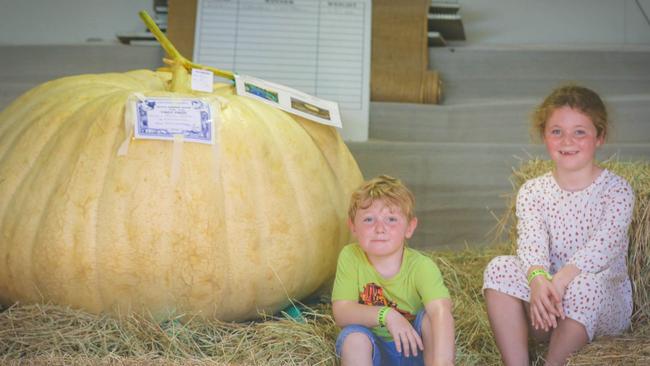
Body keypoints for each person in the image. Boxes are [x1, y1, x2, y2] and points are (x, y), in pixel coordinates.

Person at [483, 85, 635, 366]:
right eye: (557, 131)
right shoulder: (533, 190)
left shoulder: (617, 190)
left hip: (600, 304)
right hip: (547, 299)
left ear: (599, 137)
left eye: (580, 131)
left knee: (585, 285)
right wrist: (538, 279)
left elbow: (603, 247)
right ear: (544, 136)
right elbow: (531, 241)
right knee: (499, 267)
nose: (567, 141)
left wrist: (561, 280)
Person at [332, 175, 455, 366]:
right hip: (374, 349)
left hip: (415, 347)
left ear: (409, 227)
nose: (380, 228)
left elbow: (441, 312)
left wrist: (443, 362)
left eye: (391, 219)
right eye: (368, 219)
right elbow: (342, 312)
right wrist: (387, 315)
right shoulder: (350, 257)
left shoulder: (421, 266)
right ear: (353, 226)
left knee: (431, 319)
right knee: (353, 339)